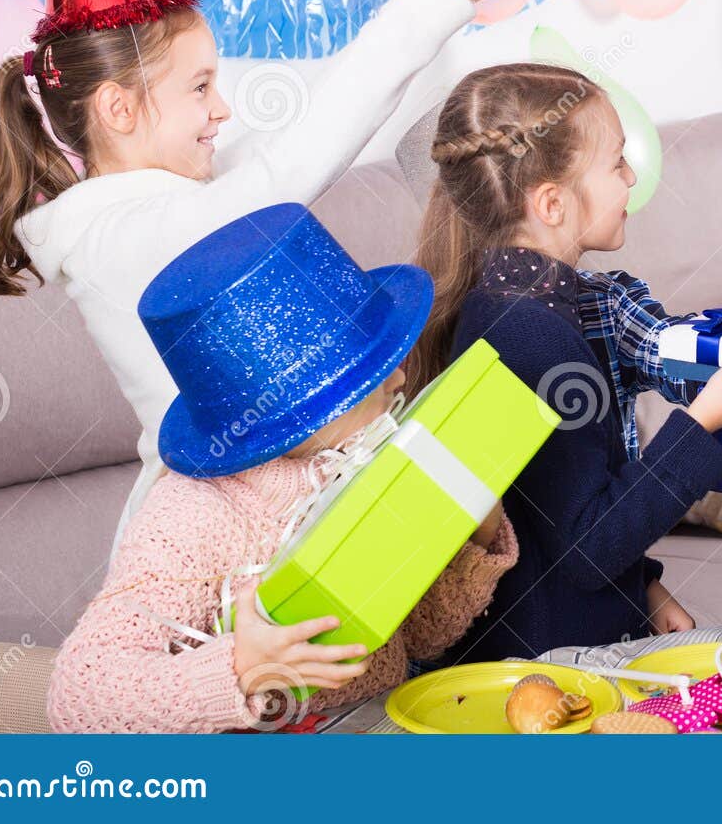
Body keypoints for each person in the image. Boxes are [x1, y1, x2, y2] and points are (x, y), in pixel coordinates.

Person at [0, 0, 557, 550]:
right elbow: (293, 165)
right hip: (208, 538)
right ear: (119, 109)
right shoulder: (115, 239)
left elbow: (306, 126)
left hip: (285, 504)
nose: (222, 108)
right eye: (200, 87)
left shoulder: (179, 200)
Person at [406, 63, 722, 659]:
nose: (632, 177)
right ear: (551, 202)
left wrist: (644, 585)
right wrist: (704, 422)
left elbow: (567, 502)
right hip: (546, 667)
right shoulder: (529, 336)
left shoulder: (561, 304)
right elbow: (587, 546)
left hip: (582, 631)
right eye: (617, 162)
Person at [48, 205, 515, 732]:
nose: (401, 377)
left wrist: (479, 530)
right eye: (372, 371)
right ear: (304, 409)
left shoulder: (358, 462)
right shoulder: (196, 518)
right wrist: (240, 669)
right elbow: (77, 700)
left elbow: (420, 639)